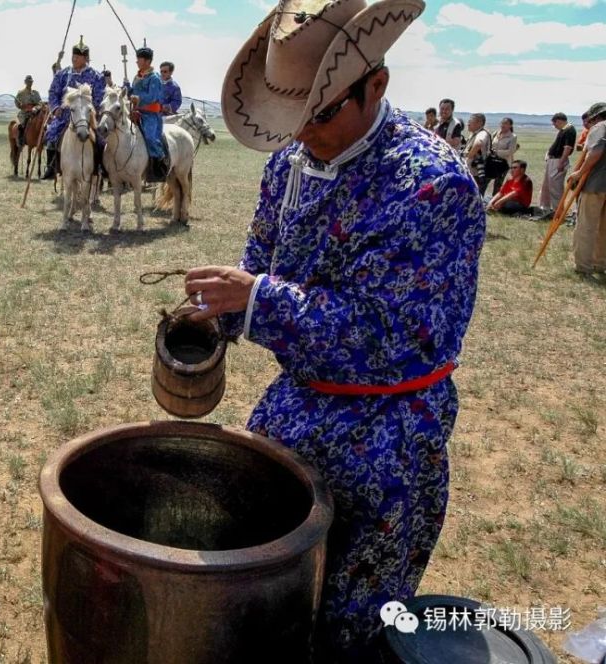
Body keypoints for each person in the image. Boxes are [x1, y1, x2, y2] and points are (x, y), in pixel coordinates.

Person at [198, 0, 485, 660]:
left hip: (387, 439)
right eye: (292, 118)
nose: (302, 133)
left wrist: (259, 300)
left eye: (319, 114)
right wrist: (222, 311)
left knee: (347, 632)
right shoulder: (287, 166)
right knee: (263, 604)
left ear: (376, 85)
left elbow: (391, 335)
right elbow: (260, 259)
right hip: (294, 413)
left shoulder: (433, 185)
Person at [41, 37, 105, 180]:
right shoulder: (62, 74)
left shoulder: (96, 76)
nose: (74, 59)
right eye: (73, 56)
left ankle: (98, 169)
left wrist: (89, 111)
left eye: (78, 57)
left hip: (87, 119)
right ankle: (54, 167)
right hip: (65, 116)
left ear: (86, 58)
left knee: (101, 142)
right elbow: (53, 92)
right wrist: (56, 107)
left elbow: (99, 97)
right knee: (51, 134)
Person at [567, 102, 606, 275]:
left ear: (596, 117)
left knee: (587, 225)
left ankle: (583, 266)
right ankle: (600, 263)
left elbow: (596, 151)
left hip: (595, 184)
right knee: (604, 227)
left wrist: (579, 172)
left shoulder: (599, 127)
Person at [130, 46, 167, 182]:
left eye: (139, 59)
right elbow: (132, 92)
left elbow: (152, 96)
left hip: (151, 116)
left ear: (147, 61)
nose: (137, 62)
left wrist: (137, 97)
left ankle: (159, 164)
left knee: (150, 138)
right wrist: (128, 89)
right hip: (136, 113)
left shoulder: (155, 78)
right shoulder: (137, 77)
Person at [538, 112, 577, 214]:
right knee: (547, 186)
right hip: (553, 160)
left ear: (559, 121)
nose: (554, 126)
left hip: (558, 160)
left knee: (555, 187)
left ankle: (558, 211)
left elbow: (567, 148)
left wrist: (561, 162)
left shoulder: (569, 130)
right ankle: (546, 208)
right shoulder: (563, 130)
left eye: (554, 123)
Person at [487, 117, 518, 196]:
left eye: (506, 123)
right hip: (492, 161)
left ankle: (494, 203)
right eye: (502, 123)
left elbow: (510, 151)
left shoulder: (512, 137)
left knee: (498, 184)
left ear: (510, 126)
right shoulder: (495, 133)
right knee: (485, 180)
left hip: (503, 163)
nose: (503, 125)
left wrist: (496, 152)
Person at [463, 112, 491, 190]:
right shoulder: (474, 133)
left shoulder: (482, 134)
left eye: (470, 121)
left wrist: (468, 157)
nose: (468, 124)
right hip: (471, 171)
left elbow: (478, 144)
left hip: (476, 173)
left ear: (479, 123)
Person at [14, 75, 42, 148]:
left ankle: (43, 139)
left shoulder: (36, 93)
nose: (30, 83)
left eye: (31, 81)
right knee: (21, 125)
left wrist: (36, 108)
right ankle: (21, 139)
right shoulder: (20, 93)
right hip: (24, 113)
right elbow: (16, 103)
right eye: (28, 81)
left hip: (34, 112)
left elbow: (40, 103)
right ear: (25, 82)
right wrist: (20, 105)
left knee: (42, 123)